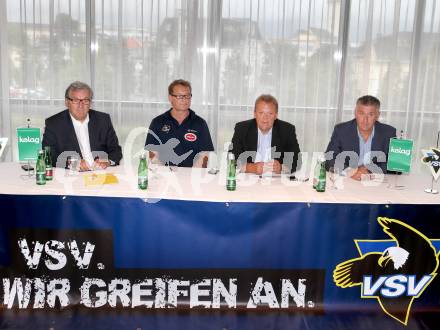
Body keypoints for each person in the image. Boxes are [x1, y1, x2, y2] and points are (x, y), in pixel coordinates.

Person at [42, 81, 122, 170]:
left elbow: (116, 150)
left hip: (100, 173)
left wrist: (107, 161)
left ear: (90, 102)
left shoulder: (103, 120)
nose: (81, 105)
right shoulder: (53, 123)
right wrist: (73, 163)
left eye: (85, 100)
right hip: (72, 175)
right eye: (76, 100)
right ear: (67, 102)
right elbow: (48, 154)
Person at [325, 95, 396, 180]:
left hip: (375, 182)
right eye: (361, 113)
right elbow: (329, 159)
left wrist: (368, 170)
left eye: (370, 114)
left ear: (377, 115)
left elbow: (394, 165)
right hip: (348, 181)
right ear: (355, 113)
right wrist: (351, 171)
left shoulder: (388, 132)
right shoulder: (341, 130)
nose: (365, 120)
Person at [145, 79, 214, 167]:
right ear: (170, 98)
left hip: (192, 176)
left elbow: (204, 156)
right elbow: (153, 154)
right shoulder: (157, 122)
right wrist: (163, 174)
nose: (185, 100)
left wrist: (194, 176)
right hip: (164, 175)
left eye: (187, 96)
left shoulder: (200, 123)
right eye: (180, 96)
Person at [231, 94, 300, 175]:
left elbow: (297, 160)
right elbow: (232, 158)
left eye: (270, 113)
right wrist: (251, 168)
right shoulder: (242, 128)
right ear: (255, 114)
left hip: (276, 181)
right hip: (249, 178)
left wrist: (281, 167)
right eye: (261, 113)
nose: (265, 118)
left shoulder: (287, 130)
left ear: (276, 115)